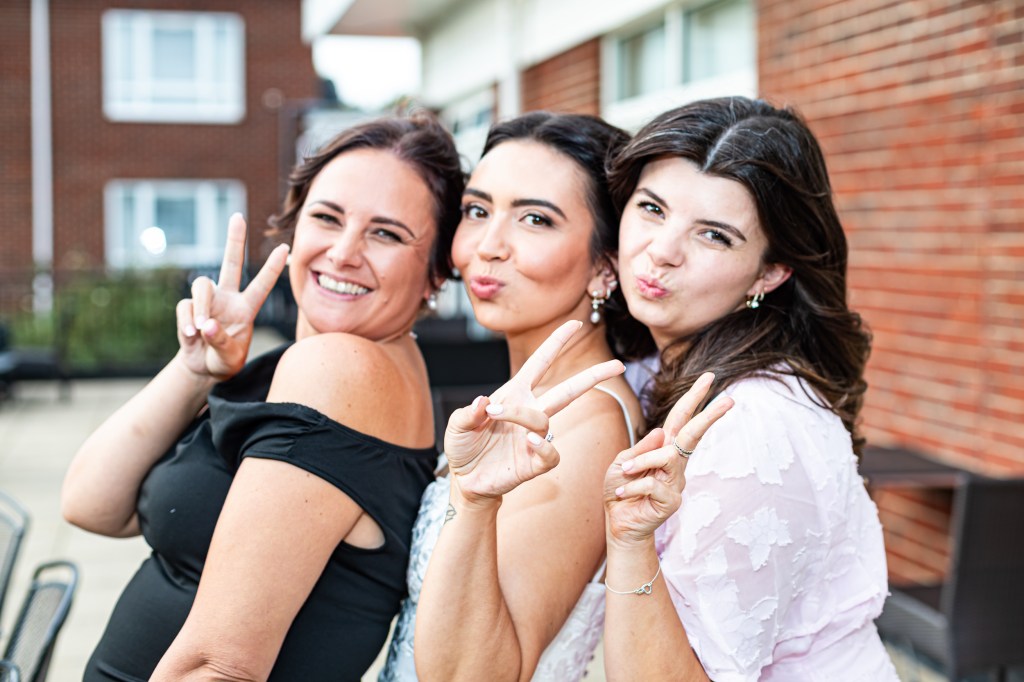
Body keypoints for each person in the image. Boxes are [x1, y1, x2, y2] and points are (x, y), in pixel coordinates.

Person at [61, 113, 465, 681]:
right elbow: (91, 504)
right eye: (327, 218)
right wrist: (196, 368)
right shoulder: (307, 364)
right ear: (295, 229)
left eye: (386, 234)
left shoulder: (340, 370)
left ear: (436, 273)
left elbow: (222, 666)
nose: (343, 252)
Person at [601, 96, 899, 680]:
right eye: (652, 208)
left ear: (770, 272)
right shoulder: (653, 366)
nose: (661, 251)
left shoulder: (750, 424)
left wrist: (630, 544)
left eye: (714, 235)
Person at [379, 112, 647, 682]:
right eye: (477, 211)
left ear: (605, 266)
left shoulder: (585, 424)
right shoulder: (532, 400)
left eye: (535, 219)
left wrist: (473, 503)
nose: (488, 245)